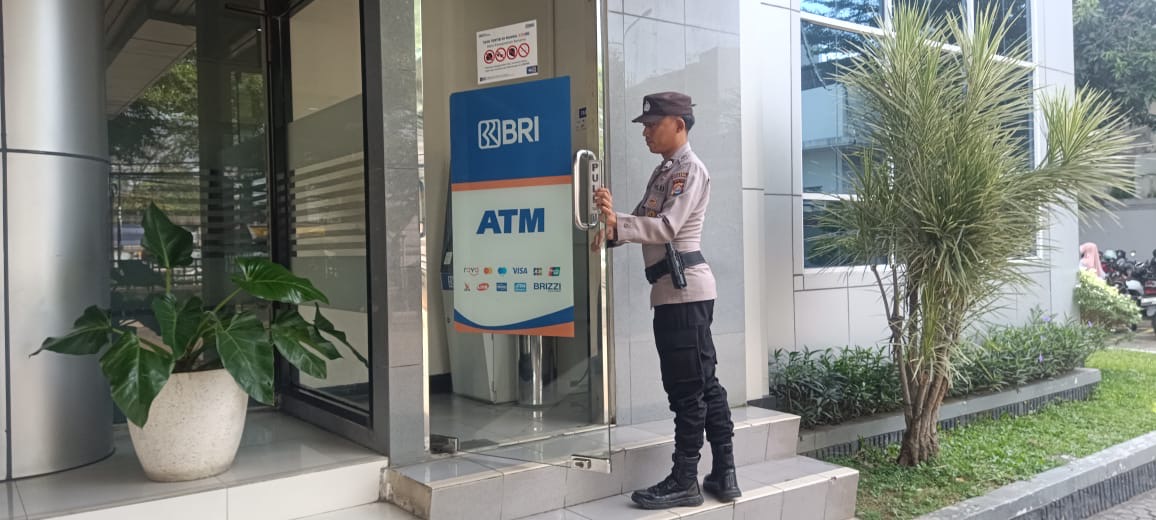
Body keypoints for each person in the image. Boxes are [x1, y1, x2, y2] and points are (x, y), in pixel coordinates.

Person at [592, 92, 740, 509]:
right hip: (674, 292)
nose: (645, 132)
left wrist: (619, 222)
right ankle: (724, 472)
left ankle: (685, 480)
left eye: (652, 124)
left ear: (678, 123)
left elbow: (667, 227)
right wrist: (610, 224)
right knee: (704, 383)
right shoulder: (664, 172)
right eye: (644, 125)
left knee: (686, 390)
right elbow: (638, 222)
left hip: (683, 292)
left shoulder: (690, 170)